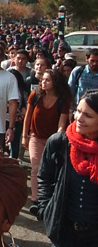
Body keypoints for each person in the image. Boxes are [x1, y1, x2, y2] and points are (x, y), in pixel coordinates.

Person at [37, 89, 98, 247]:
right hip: (66, 233)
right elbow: (44, 177)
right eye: (78, 111)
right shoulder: (60, 142)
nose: (79, 118)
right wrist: (46, 209)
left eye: (88, 115)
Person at [21, 69, 71, 216]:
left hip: (52, 140)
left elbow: (62, 124)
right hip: (35, 136)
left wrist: (56, 140)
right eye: (43, 79)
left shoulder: (63, 100)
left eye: (47, 80)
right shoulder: (35, 95)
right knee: (36, 166)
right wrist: (25, 136)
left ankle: (49, 200)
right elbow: (27, 117)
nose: (43, 82)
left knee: (51, 170)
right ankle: (37, 201)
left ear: (55, 83)